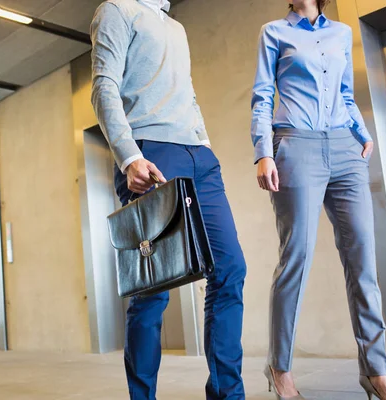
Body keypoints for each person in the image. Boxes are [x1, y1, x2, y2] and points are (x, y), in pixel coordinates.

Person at [91, 0, 247, 399]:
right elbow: (104, 85)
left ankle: (228, 394)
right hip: (151, 152)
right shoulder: (117, 9)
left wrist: (206, 145)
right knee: (151, 291)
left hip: (199, 157)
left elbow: (188, 95)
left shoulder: (175, 27)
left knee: (230, 269)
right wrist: (129, 156)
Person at [250, 1, 386, 399]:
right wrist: (263, 151)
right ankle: (279, 368)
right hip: (295, 146)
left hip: (345, 148)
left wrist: (362, 131)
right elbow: (263, 94)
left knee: (363, 259)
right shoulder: (274, 32)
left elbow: (346, 93)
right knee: (295, 258)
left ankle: (376, 370)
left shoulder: (340, 33)